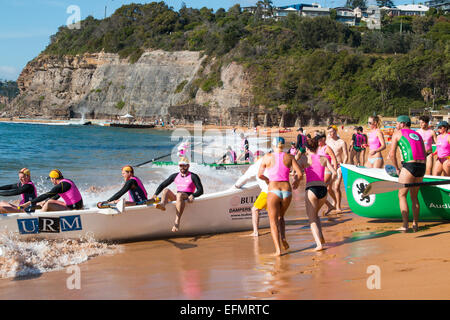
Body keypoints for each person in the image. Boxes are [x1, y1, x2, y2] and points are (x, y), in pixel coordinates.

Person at [258, 137, 302, 256]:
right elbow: (300, 173)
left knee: (273, 222)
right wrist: (297, 182)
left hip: (273, 190)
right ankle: (283, 237)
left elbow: (259, 175)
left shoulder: (267, 157)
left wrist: (268, 180)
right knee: (281, 217)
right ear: (283, 145)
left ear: (273, 145)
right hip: (286, 190)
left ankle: (278, 250)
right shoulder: (289, 157)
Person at [298, 135, 336, 251]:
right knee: (315, 215)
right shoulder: (324, 158)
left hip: (311, 190)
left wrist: (295, 180)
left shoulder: (304, 159)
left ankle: (319, 244)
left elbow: (297, 172)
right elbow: (335, 173)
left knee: (312, 218)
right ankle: (322, 238)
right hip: (323, 190)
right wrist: (328, 183)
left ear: (307, 149)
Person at [388, 115, 426, 232]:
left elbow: (391, 154)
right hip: (422, 167)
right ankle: (415, 224)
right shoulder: (418, 135)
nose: (396, 126)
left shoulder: (398, 134)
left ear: (403, 124)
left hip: (409, 166)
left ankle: (405, 225)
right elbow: (424, 152)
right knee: (414, 197)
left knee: (402, 195)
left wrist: (397, 169)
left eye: (397, 123)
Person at [151, 157, 204, 232]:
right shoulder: (175, 176)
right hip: (179, 196)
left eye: (184, 166)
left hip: (187, 196)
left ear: (188, 166)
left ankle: (177, 221)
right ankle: (163, 204)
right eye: (180, 166)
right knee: (166, 190)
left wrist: (193, 195)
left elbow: (201, 190)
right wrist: (155, 195)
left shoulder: (193, 176)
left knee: (179, 195)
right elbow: (163, 185)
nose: (182, 167)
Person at [234, 150, 268, 236]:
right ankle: (279, 228)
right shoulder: (271, 161)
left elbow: (244, 178)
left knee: (255, 209)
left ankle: (255, 232)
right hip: (279, 189)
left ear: (256, 158)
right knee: (274, 211)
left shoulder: (255, 165)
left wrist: (236, 186)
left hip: (267, 191)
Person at [325, 125, 348, 214]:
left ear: (335, 131)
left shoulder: (341, 142)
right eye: (329, 132)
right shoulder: (327, 141)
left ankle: (338, 206)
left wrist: (343, 165)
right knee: (328, 188)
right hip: (329, 166)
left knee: (337, 186)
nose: (330, 134)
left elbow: (346, 155)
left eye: (331, 132)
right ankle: (334, 201)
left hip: (339, 166)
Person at [316, 131, 338, 215]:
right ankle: (332, 204)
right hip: (320, 172)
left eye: (319, 141)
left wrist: (335, 171)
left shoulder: (327, 148)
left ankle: (333, 204)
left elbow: (334, 158)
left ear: (323, 139)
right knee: (327, 189)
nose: (317, 142)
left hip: (327, 171)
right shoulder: (318, 148)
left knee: (320, 190)